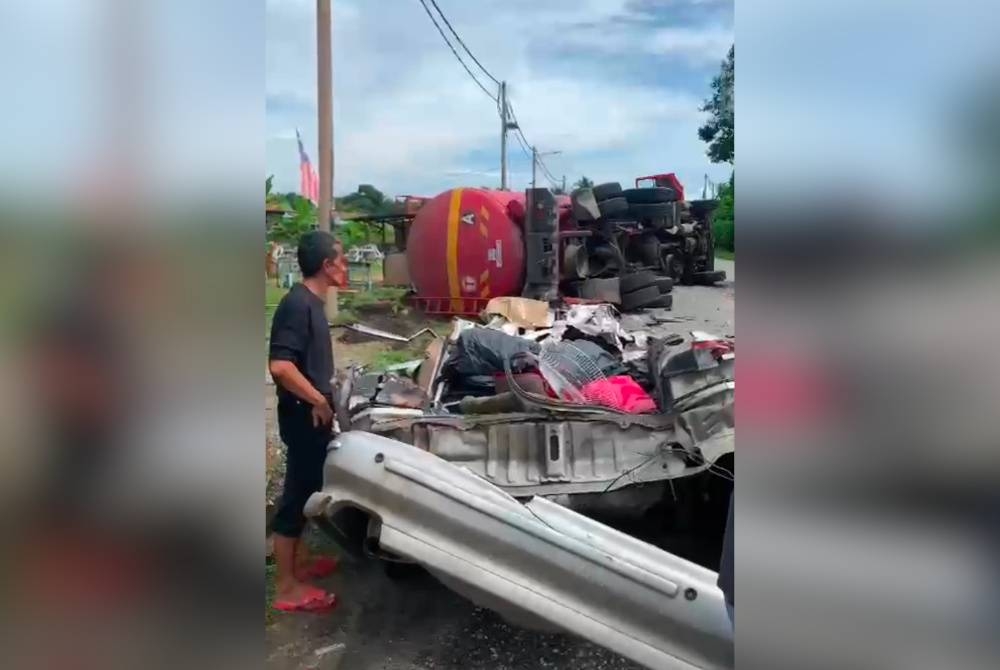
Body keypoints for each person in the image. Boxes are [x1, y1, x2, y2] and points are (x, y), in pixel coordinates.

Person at [268, 231, 341, 613]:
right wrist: (317, 399)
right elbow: (280, 365)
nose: (345, 266)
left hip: (312, 416)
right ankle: (285, 587)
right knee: (296, 497)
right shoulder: (297, 305)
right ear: (327, 265)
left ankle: (299, 565)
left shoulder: (312, 303)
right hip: (303, 417)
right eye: (341, 259)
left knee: (309, 489)